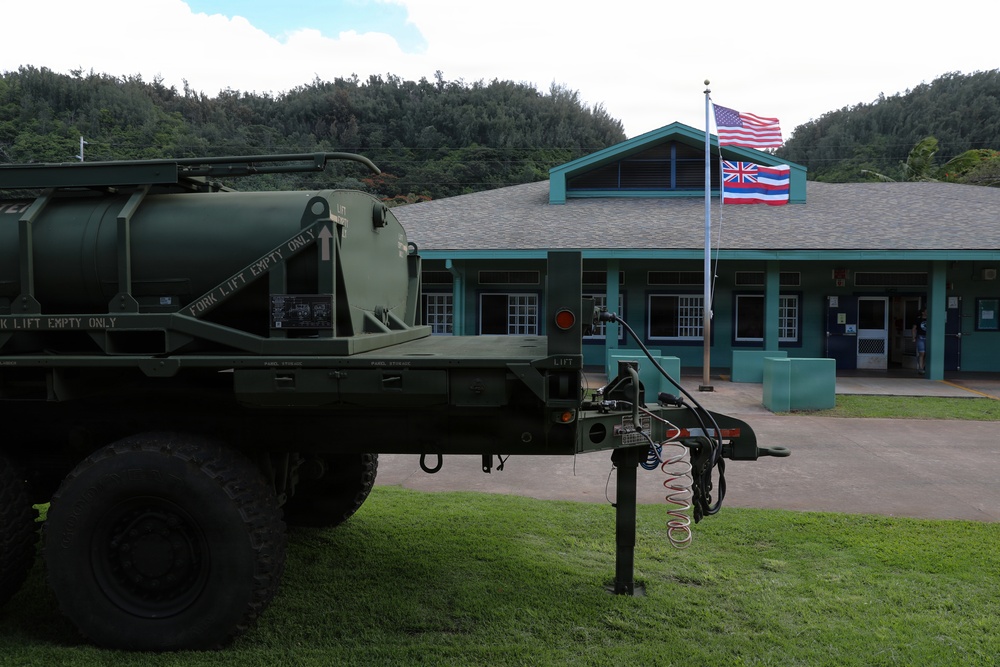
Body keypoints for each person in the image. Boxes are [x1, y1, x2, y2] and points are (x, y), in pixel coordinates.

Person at [912, 308, 927, 373]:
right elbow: (914, 329)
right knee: (922, 353)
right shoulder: (918, 319)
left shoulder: (931, 319)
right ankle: (921, 368)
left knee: (927, 353)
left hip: (929, 338)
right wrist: (913, 337)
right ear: (922, 312)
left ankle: (923, 367)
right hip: (920, 337)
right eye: (926, 311)